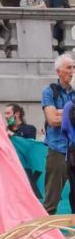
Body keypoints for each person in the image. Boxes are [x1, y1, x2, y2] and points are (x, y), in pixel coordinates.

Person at [41, 54, 75, 214]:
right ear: (58, 72)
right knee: (51, 201)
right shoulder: (49, 92)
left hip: (73, 150)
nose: (72, 71)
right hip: (58, 151)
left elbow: (57, 116)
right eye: (69, 67)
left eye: (74, 67)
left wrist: (63, 112)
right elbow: (52, 119)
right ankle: (43, 237)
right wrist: (70, 113)